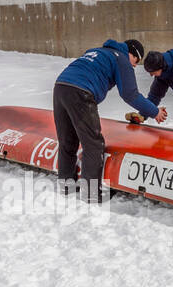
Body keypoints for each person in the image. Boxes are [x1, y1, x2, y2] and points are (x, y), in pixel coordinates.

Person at [53, 38, 165, 202]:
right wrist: (154, 111)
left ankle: (66, 188)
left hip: (60, 87)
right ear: (130, 52)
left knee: (67, 142)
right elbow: (130, 94)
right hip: (81, 92)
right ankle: (90, 196)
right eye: (136, 60)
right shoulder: (120, 58)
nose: (134, 65)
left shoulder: (96, 51)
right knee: (93, 144)